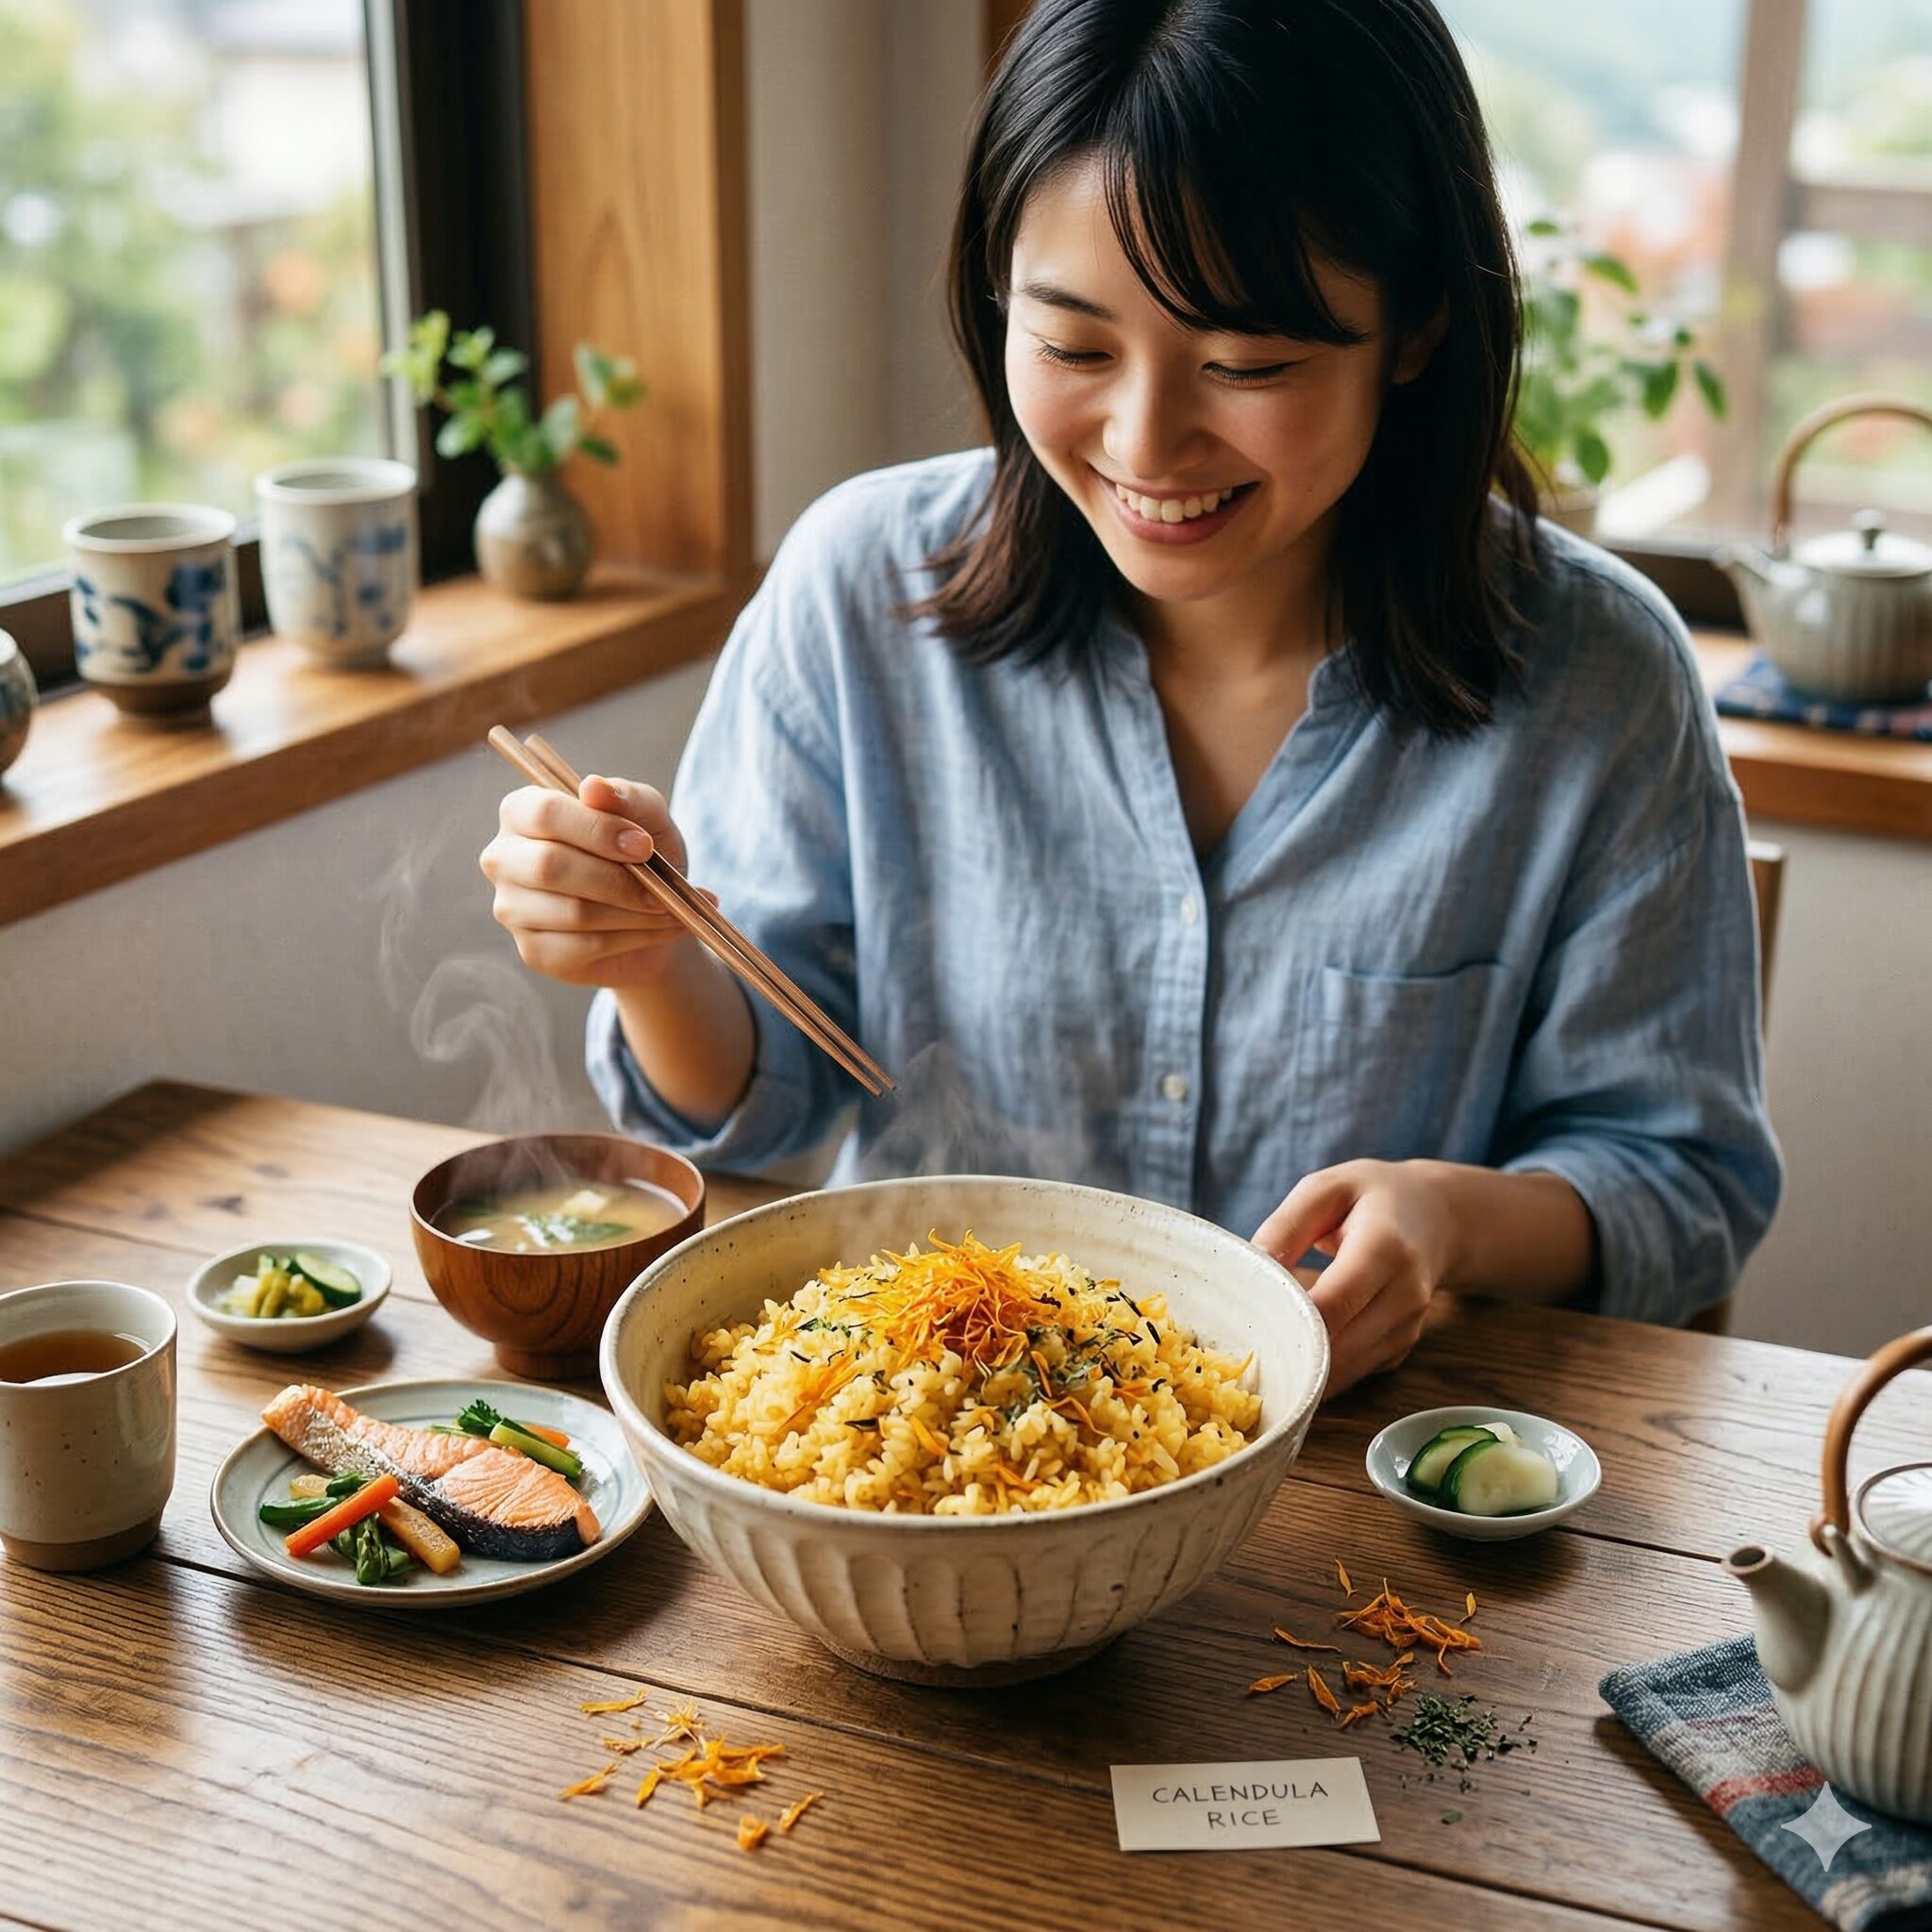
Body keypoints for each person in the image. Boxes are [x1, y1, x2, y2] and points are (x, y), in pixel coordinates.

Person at [481, 0, 1781, 1397]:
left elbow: (1681, 1183)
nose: (1148, 441)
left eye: (1247, 365)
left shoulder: (1599, 678)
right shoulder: (860, 589)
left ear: (1415, 327)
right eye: (1075, 348)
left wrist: (1452, 1220)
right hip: (930, 1452)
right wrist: (650, 956)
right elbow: (751, 1114)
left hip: (1363, 1463)